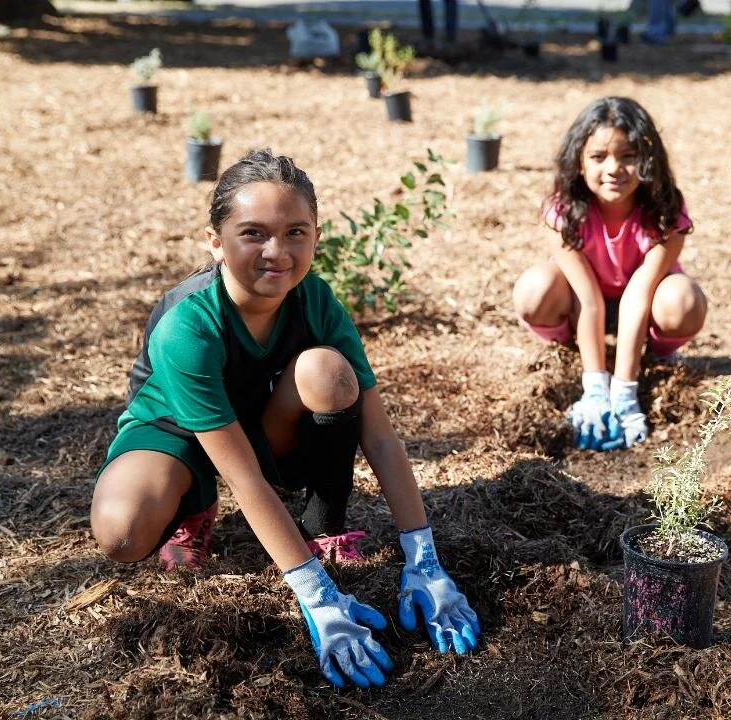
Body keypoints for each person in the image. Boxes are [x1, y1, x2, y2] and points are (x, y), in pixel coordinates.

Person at [90, 148, 480, 688]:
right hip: (176, 428)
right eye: (253, 233)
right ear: (215, 242)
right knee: (122, 534)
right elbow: (244, 476)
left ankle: (323, 526)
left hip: (262, 419)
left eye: (296, 232)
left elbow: (380, 435)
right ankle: (194, 502)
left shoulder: (316, 300)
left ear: (316, 236)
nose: (277, 251)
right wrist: (317, 596)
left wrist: (425, 559)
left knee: (327, 372)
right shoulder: (189, 326)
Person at [512, 97, 707, 452]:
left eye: (628, 156)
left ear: (648, 160)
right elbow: (587, 300)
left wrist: (624, 392)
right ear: (579, 162)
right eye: (599, 157)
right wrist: (596, 389)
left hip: (644, 302)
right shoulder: (563, 212)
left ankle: (658, 356)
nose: (614, 168)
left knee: (685, 300)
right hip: (580, 304)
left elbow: (639, 295)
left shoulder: (666, 211)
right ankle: (571, 350)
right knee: (533, 290)